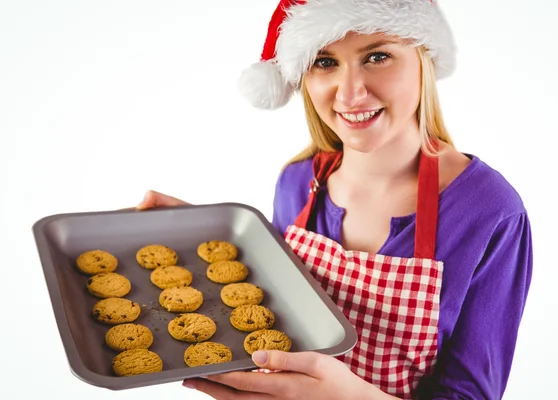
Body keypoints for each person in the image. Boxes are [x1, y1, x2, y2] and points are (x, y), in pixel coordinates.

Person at [136, 0, 533, 398]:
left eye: (377, 56)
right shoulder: (298, 182)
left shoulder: (489, 211)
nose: (351, 93)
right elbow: (271, 302)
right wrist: (204, 237)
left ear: (423, 58)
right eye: (324, 62)